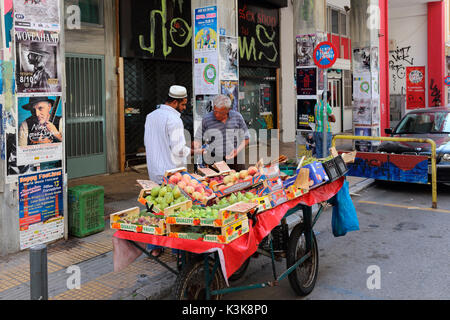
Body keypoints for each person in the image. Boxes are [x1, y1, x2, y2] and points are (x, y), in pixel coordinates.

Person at [144, 85, 191, 256]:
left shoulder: (151, 116)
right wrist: (192, 150)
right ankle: (178, 250)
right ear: (175, 102)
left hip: (155, 170)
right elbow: (179, 150)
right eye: (183, 104)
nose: (184, 108)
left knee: (156, 209)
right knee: (176, 211)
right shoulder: (174, 119)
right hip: (172, 173)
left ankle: (154, 248)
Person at [193, 95, 249, 172]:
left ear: (228, 110)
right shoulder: (207, 119)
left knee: (241, 180)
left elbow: (246, 138)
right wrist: (198, 147)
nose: (217, 115)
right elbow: (198, 138)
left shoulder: (237, 117)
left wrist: (237, 150)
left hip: (235, 158)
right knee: (215, 182)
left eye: (221, 112)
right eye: (215, 111)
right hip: (214, 159)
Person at [314, 91, 335, 159]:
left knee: (318, 152)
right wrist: (329, 119)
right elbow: (334, 119)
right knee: (326, 153)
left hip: (317, 131)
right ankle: (325, 169)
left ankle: (319, 168)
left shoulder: (316, 105)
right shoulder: (327, 106)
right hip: (326, 131)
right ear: (329, 98)